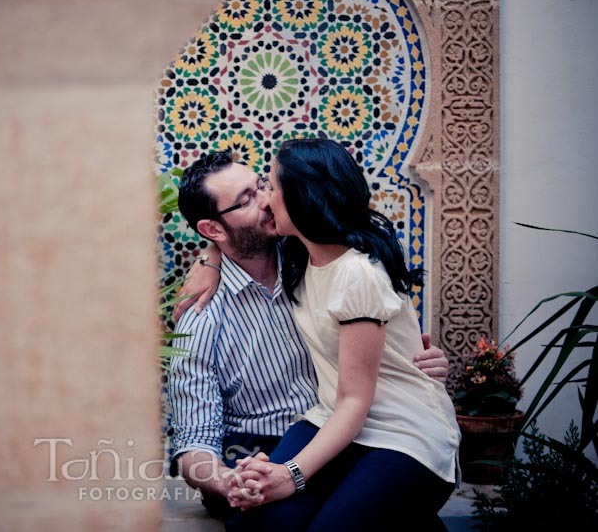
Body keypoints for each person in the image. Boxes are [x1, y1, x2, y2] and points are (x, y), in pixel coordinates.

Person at [167, 150, 450, 522]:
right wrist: (226, 479)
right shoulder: (201, 317)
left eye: (262, 186)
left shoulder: (310, 253)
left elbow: (374, 313)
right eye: (247, 199)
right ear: (213, 230)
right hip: (263, 445)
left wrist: (410, 356)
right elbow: (194, 442)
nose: (266, 201)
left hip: (360, 429)